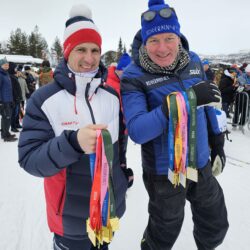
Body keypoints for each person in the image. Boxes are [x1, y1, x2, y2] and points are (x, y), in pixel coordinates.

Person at [18, 4, 128, 250]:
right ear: (67, 51)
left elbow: (120, 144)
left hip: (108, 212)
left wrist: (122, 172)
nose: (89, 59)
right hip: (68, 220)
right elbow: (29, 159)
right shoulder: (44, 100)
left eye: (95, 50)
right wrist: (72, 143)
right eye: (81, 49)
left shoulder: (111, 96)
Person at [121, 0, 228, 249]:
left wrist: (217, 141)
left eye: (169, 38)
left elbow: (208, 102)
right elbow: (138, 130)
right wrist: (186, 100)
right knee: (164, 233)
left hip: (200, 162)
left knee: (216, 223)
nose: (162, 48)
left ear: (178, 37)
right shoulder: (134, 76)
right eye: (153, 41)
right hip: (164, 173)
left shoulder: (193, 61)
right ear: (144, 42)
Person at [106, 53, 134, 188]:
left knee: (122, 152)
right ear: (118, 70)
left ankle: (121, 176)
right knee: (115, 153)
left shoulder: (125, 82)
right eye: (124, 71)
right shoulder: (110, 83)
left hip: (124, 126)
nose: (126, 74)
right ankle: (115, 178)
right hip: (114, 126)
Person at [0, 57, 17, 142]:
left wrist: (12, 99)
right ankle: (5, 135)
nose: (7, 66)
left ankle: (6, 133)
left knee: (8, 117)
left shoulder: (6, 74)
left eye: (7, 64)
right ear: (1, 65)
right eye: (5, 64)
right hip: (3, 100)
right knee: (6, 117)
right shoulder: (1, 75)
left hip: (9, 99)